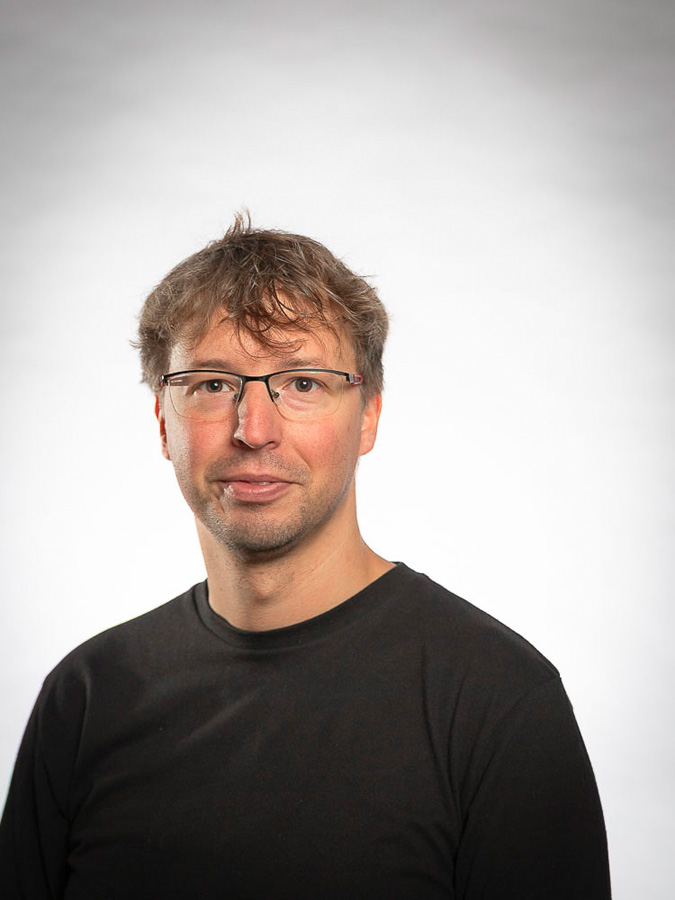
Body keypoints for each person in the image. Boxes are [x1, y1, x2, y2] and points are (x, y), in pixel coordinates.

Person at [0, 215, 611, 899]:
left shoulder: (499, 702)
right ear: (164, 424)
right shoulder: (86, 698)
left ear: (368, 416)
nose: (253, 430)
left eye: (302, 383)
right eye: (211, 384)